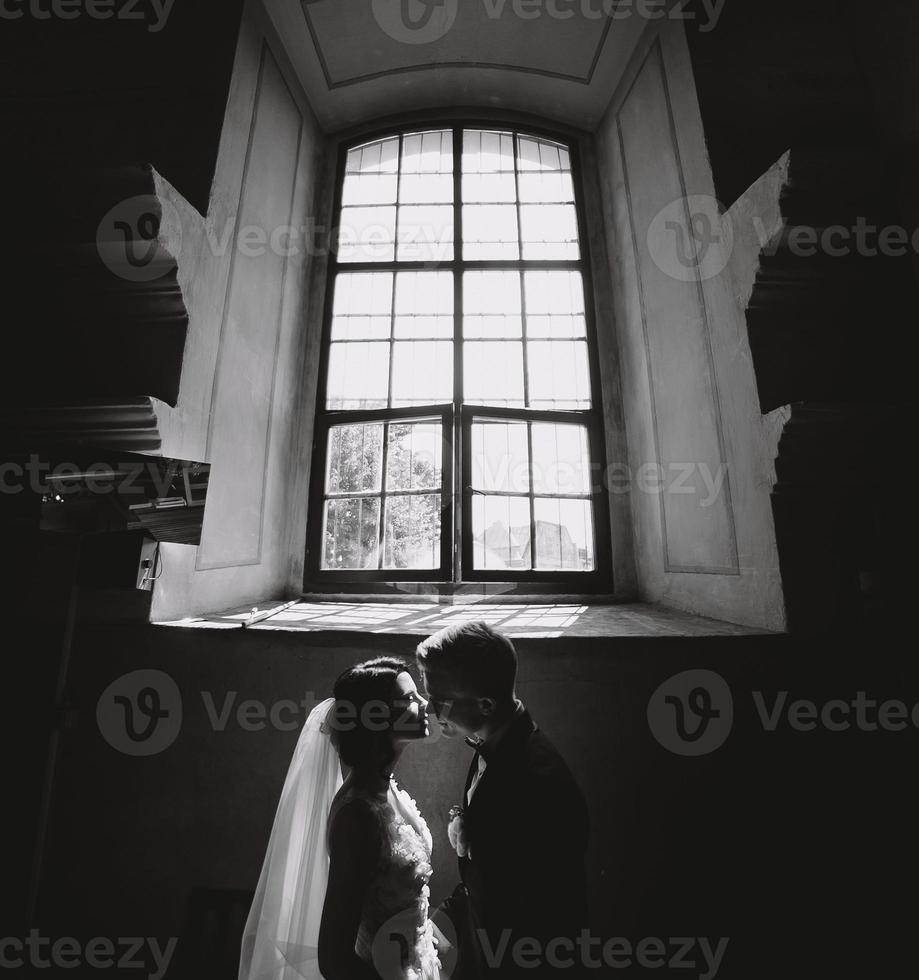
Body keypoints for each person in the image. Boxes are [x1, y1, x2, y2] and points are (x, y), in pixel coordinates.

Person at [240, 657, 438, 980]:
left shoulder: (389, 792)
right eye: (408, 700)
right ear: (376, 718)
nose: (424, 703)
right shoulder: (358, 816)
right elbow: (333, 957)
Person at [417, 622, 589, 980]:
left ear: (485, 704)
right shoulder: (493, 747)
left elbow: (538, 915)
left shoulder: (536, 782)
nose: (431, 711)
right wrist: (436, 925)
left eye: (439, 701)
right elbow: (485, 878)